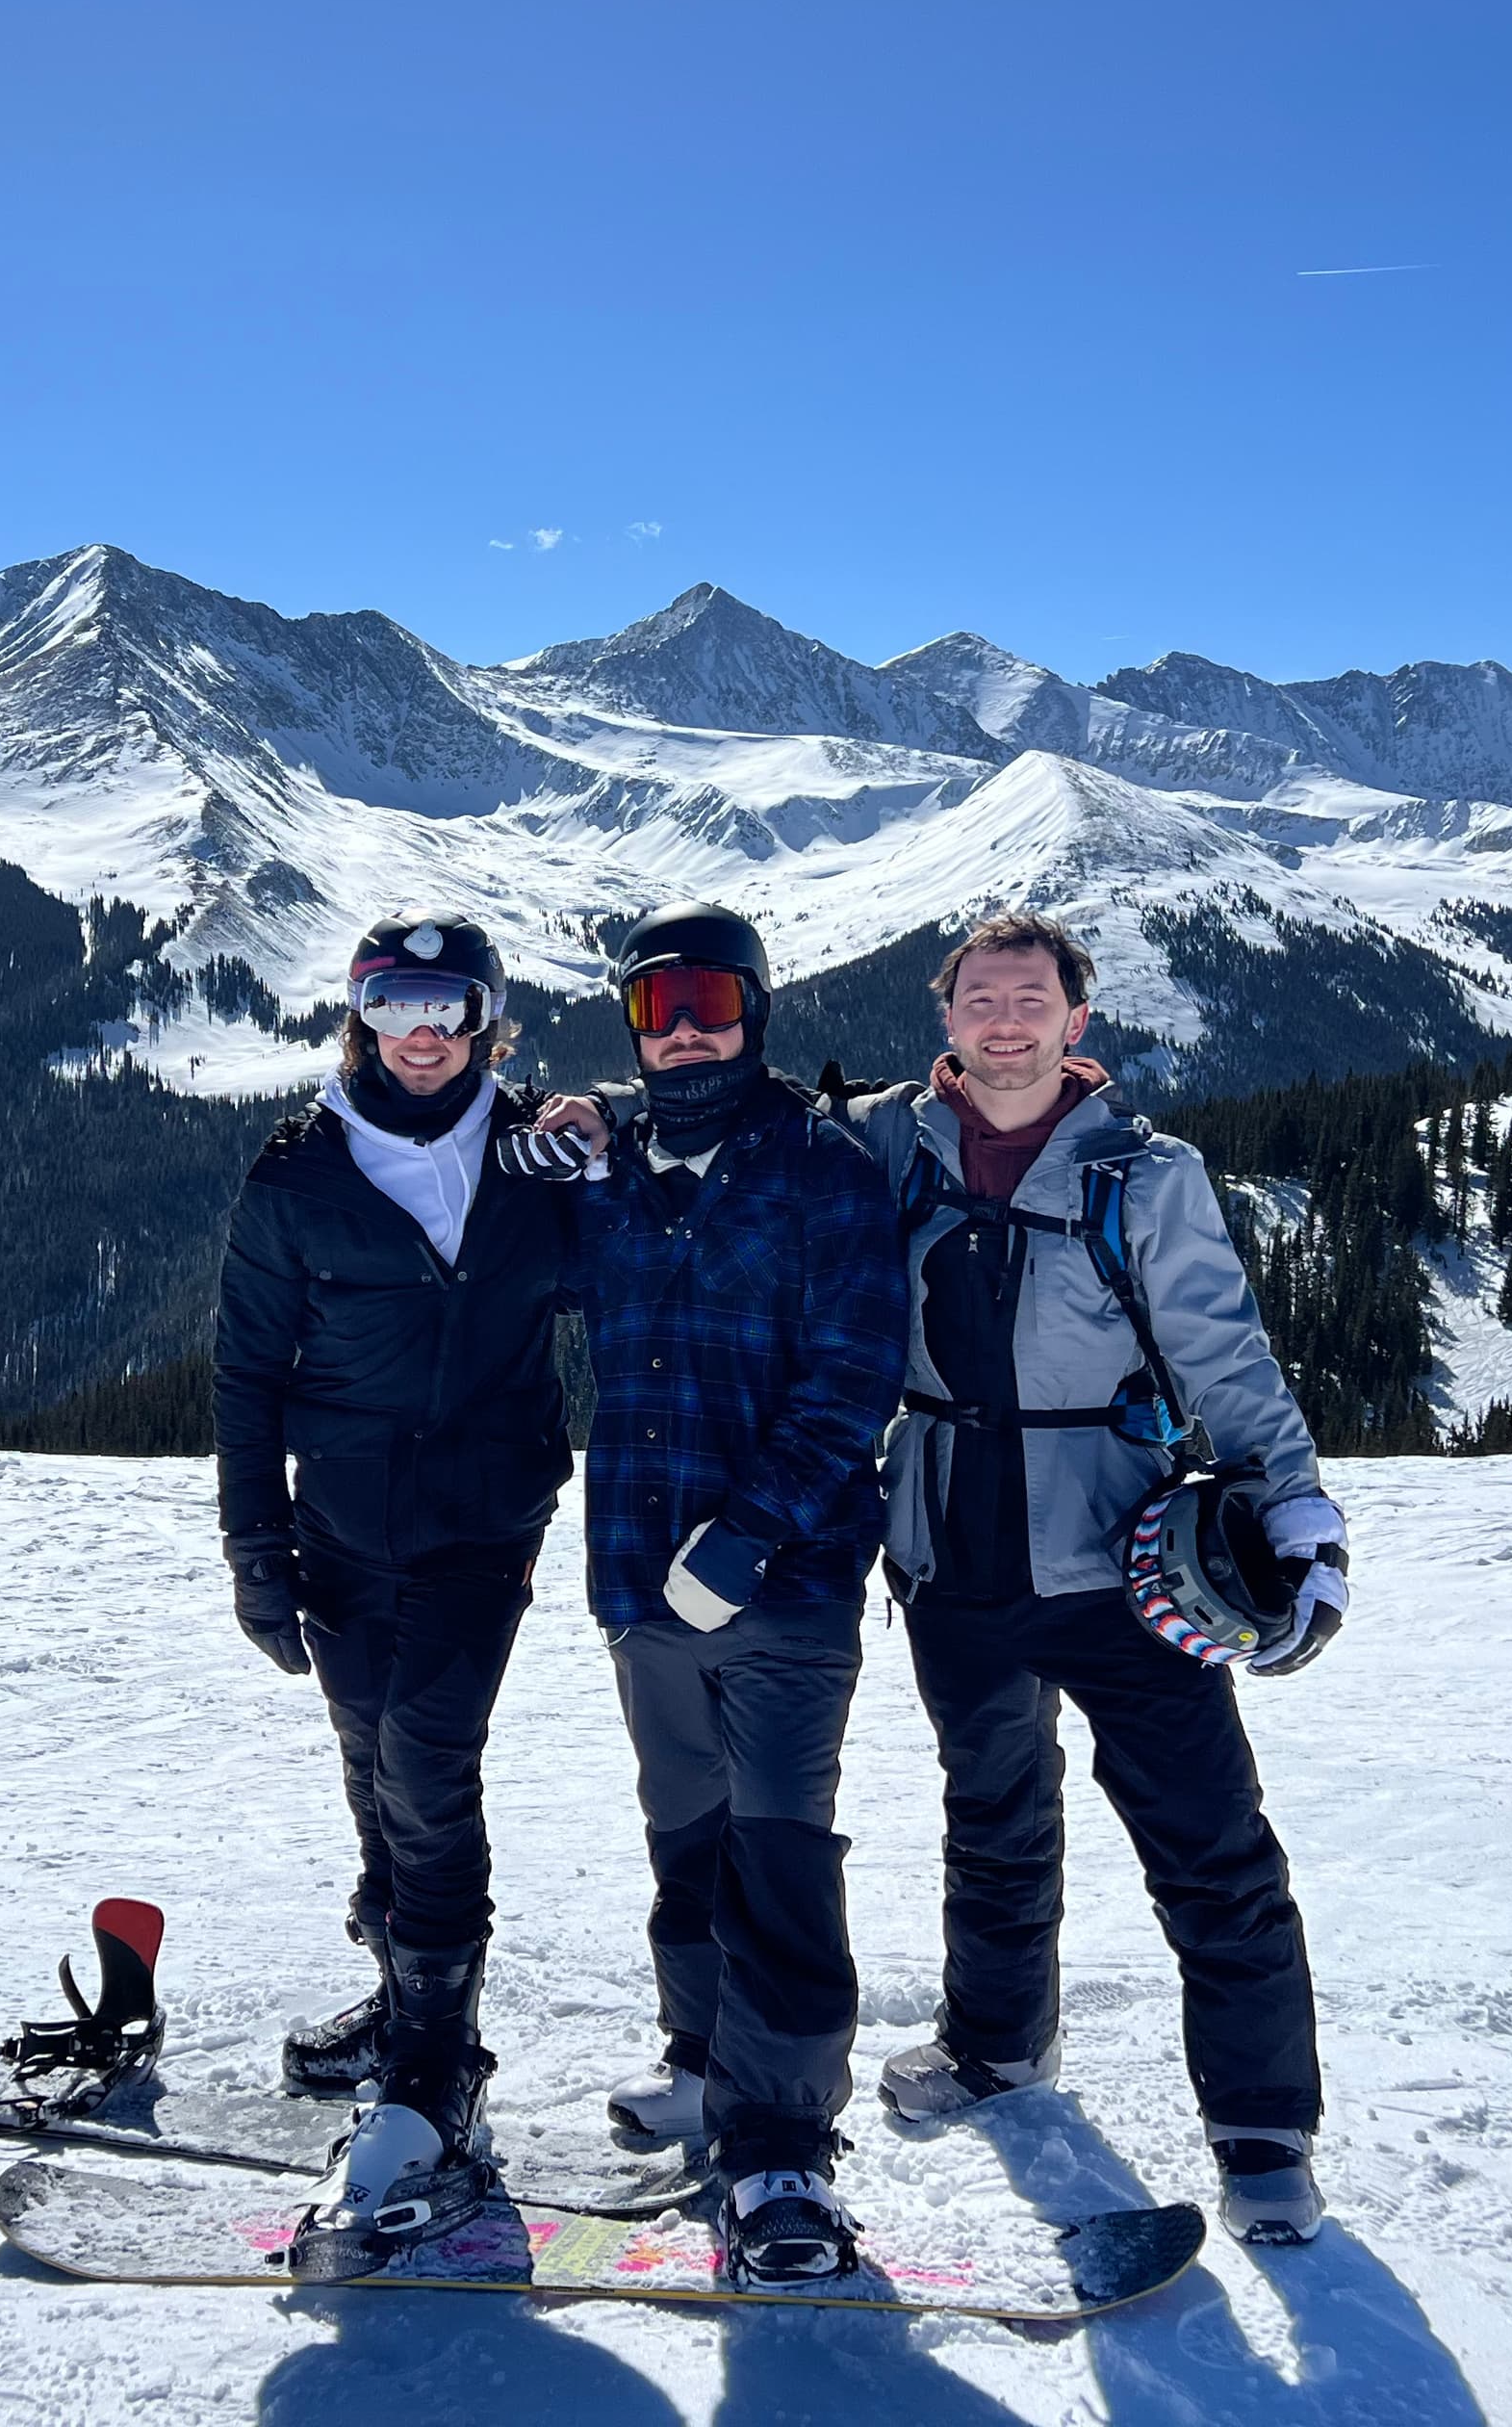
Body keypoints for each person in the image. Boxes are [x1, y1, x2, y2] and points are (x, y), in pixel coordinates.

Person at [842, 910, 1351, 2246]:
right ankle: (998, 2046)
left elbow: (1224, 1353)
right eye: (981, 999)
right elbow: (741, 1122)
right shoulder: (892, 1145)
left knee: (1209, 1842)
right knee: (992, 1817)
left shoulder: (1145, 1171)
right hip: (949, 1549)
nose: (1005, 1022)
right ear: (946, 1016)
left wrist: (1297, 1510)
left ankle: (1262, 2128)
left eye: (1032, 1000)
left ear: (1077, 1021)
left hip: (1126, 1561)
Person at [210, 915, 577, 2273]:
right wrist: (256, 1548)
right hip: (344, 1521)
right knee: (369, 1754)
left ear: (488, 1020)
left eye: (448, 1005)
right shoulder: (299, 1171)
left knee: (427, 1751)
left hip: (486, 1515)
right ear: (358, 1016)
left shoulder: (539, 1153)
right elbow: (248, 1372)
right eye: (393, 1003)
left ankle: (436, 2062)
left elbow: (662, 1219)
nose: (422, 1032)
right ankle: (402, 1993)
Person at [555, 900, 909, 2285]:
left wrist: (748, 1537)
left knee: (778, 1849)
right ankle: (703, 2057)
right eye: (659, 1008)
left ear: (754, 1012)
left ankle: (781, 2143)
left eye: (710, 1002)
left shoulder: (821, 1166)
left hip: (787, 1585)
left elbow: (855, 1376)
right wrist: (568, 1120)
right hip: (640, 1578)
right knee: (685, 1832)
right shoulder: (610, 1170)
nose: (687, 1031)